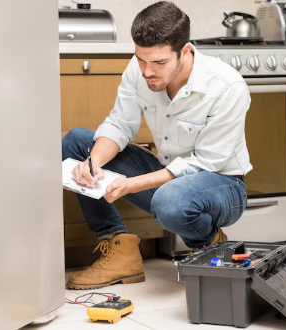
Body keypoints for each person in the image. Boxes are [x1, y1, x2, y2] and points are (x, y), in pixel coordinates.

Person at [62, 1, 252, 290]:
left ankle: (208, 243)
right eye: (141, 60)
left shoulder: (227, 86)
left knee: (171, 201)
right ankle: (119, 249)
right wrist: (94, 161)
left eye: (159, 63)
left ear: (185, 52)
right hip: (166, 174)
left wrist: (131, 184)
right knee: (77, 141)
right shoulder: (139, 69)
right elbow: (120, 123)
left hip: (222, 184)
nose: (148, 72)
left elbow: (205, 163)